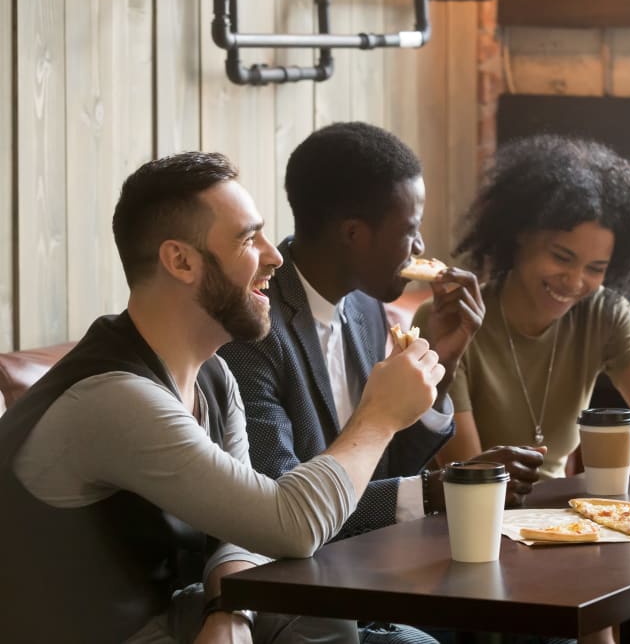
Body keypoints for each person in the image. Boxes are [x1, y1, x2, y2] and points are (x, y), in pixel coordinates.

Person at [0, 152, 445, 643]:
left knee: (342, 619)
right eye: (247, 239)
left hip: (174, 612)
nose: (274, 255)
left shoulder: (214, 373)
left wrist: (227, 612)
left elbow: (238, 527)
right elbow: (289, 524)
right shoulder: (115, 399)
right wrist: (379, 416)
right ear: (182, 261)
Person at [219, 122, 544, 533]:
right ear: (353, 234)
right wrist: (436, 491)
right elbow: (285, 504)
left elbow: (382, 468)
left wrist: (441, 362)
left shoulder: (365, 305)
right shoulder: (252, 330)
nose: (421, 247)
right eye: (410, 230)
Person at [419, 134, 630, 479]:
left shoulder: (605, 315)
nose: (574, 281)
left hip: (561, 519)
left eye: (595, 269)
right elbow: (470, 478)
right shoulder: (451, 321)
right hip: (470, 518)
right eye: (561, 257)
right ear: (520, 234)